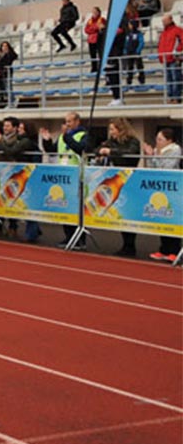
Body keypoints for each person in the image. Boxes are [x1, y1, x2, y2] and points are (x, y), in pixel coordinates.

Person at [39, 112, 90, 249]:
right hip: (64, 176)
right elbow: (52, 150)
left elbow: (79, 149)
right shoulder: (63, 136)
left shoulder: (83, 135)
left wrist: (67, 136)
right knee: (65, 206)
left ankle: (80, 239)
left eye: (70, 121)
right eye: (66, 121)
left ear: (77, 121)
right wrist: (47, 140)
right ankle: (68, 236)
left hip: (77, 175)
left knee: (77, 208)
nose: (67, 124)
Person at [96, 118, 141, 258]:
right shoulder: (111, 141)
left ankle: (131, 246)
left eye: (112, 129)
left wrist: (111, 151)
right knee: (121, 213)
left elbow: (131, 153)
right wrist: (102, 151)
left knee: (129, 213)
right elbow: (97, 149)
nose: (111, 132)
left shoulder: (133, 141)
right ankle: (125, 244)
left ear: (121, 129)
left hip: (130, 179)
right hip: (117, 180)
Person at [144, 128, 181, 261]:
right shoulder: (157, 151)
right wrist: (149, 156)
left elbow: (167, 167)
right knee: (161, 216)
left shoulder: (175, 150)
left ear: (169, 141)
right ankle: (164, 248)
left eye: (160, 140)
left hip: (172, 188)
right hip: (160, 189)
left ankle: (174, 250)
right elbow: (152, 168)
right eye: (157, 140)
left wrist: (155, 156)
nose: (157, 142)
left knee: (172, 217)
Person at [158, 14, 182, 105]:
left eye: (164, 21)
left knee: (176, 78)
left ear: (170, 20)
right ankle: (171, 97)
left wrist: (176, 52)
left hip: (173, 59)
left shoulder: (177, 30)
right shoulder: (163, 33)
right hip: (165, 59)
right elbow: (160, 46)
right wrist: (160, 57)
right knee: (169, 79)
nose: (163, 23)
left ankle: (176, 98)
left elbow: (181, 42)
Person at [83, 8, 105, 74]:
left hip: (99, 39)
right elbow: (86, 30)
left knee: (100, 54)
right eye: (93, 12)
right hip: (91, 40)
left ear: (99, 12)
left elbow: (102, 27)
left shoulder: (102, 19)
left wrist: (93, 28)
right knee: (92, 55)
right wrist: (94, 28)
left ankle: (101, 67)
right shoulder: (90, 20)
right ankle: (94, 67)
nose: (94, 13)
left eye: (95, 12)